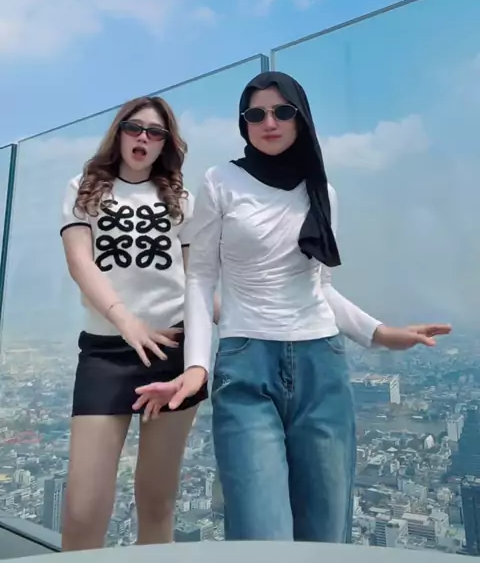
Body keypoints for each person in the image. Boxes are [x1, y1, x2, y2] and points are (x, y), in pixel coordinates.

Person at [133, 72, 451, 543]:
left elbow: (320, 286)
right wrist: (197, 367)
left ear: (300, 118)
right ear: (243, 123)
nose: (269, 122)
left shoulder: (323, 192)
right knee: (261, 533)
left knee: (326, 532)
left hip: (322, 365)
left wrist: (381, 334)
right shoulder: (221, 180)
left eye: (282, 111)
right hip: (246, 365)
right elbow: (199, 278)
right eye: (256, 114)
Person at [60, 95, 214, 550]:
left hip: (172, 351)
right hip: (106, 351)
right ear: (119, 132)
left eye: (155, 132)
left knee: (157, 500)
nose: (143, 137)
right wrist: (127, 321)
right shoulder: (84, 189)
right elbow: (80, 263)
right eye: (134, 127)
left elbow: (196, 280)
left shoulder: (181, 200)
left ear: (166, 143)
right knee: (83, 510)